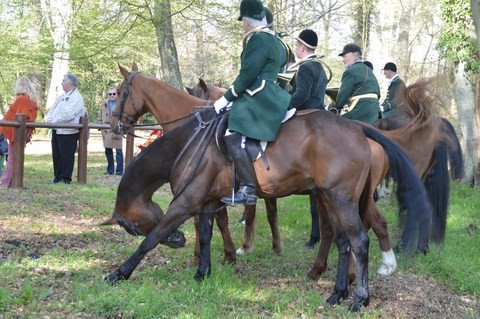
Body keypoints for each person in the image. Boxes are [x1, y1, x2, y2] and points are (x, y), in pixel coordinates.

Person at [213, 0, 291, 205]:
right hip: (268, 90)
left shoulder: (257, 40)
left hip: (257, 94)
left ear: (247, 21)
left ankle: (247, 188)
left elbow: (247, 75)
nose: (243, 26)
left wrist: (226, 98)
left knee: (231, 134)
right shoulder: (274, 39)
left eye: (243, 22)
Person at [45, 73, 85, 184]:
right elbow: (52, 109)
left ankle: (65, 178)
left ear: (70, 83)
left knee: (66, 156)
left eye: (63, 81)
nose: (61, 83)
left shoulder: (76, 97)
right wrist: (49, 119)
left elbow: (68, 115)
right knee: (56, 154)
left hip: (68, 131)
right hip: (56, 129)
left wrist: (54, 121)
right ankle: (57, 176)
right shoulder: (62, 96)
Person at [0, 77, 38, 187]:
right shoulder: (31, 99)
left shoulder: (22, 99)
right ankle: (12, 181)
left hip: (18, 132)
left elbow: (20, 117)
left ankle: (5, 182)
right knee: (15, 156)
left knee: (12, 157)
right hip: (21, 131)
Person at [332, 43, 380, 125]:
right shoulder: (369, 71)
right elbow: (378, 94)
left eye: (345, 56)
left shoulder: (350, 71)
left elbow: (342, 98)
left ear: (354, 56)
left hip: (359, 112)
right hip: (375, 113)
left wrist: (334, 108)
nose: (343, 60)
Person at [287, 29, 328, 110]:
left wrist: (285, 106)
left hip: (306, 113)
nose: (295, 48)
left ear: (302, 48)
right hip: (319, 111)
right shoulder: (320, 66)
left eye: (296, 45)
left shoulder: (305, 66)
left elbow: (302, 95)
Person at [98, 87, 123, 175]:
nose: (112, 96)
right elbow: (100, 115)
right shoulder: (104, 103)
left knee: (119, 151)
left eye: (114, 94)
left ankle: (119, 171)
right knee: (108, 150)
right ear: (108, 94)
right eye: (110, 94)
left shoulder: (121, 103)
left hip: (117, 128)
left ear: (116, 94)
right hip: (106, 130)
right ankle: (110, 170)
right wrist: (100, 126)